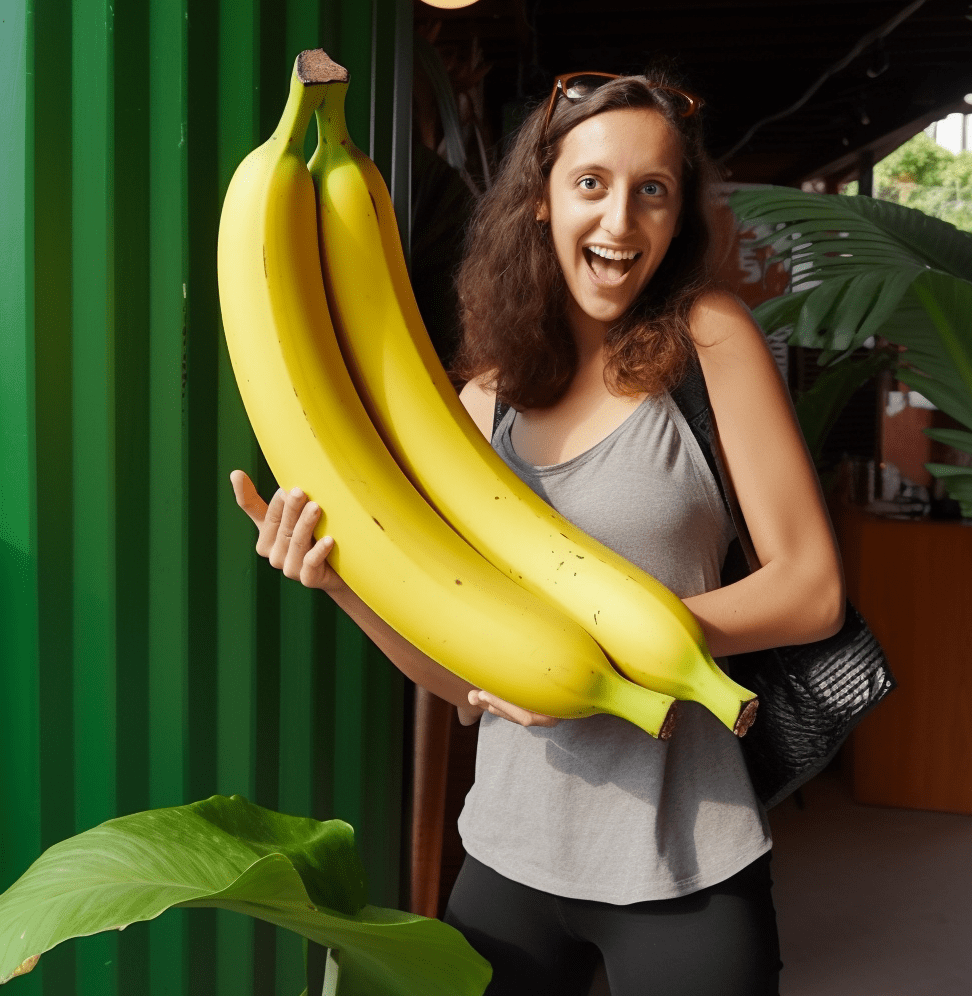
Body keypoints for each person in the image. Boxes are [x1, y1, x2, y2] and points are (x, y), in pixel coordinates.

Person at [232, 70, 845, 996]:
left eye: (652, 190)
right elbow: (464, 684)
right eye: (591, 183)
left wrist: (617, 651)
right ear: (541, 199)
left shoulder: (709, 342)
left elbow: (812, 588)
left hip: (686, 858)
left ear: (677, 216)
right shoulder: (478, 406)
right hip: (508, 855)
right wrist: (343, 583)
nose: (619, 221)